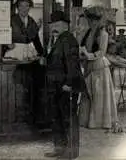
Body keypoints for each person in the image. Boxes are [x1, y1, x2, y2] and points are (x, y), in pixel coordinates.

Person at [44, 11, 86, 159]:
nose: (53, 27)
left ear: (65, 25)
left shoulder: (68, 39)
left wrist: (69, 83)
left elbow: (72, 64)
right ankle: (60, 149)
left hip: (66, 86)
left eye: (57, 25)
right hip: (56, 86)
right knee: (57, 118)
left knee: (68, 119)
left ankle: (71, 152)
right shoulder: (58, 39)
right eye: (52, 25)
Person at [7, 0, 46, 128]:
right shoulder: (11, 20)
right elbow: (2, 35)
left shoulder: (31, 21)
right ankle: (14, 116)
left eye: (27, 6)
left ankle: (29, 116)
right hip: (14, 52)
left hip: (27, 53)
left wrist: (42, 54)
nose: (24, 9)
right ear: (17, 7)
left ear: (30, 7)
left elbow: (36, 40)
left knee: (29, 83)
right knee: (14, 83)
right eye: (21, 6)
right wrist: (6, 44)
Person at [79, 5, 119, 130]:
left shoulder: (103, 34)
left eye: (93, 20)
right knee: (89, 93)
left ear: (98, 21)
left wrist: (88, 55)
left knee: (99, 94)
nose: (91, 22)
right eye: (89, 20)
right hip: (89, 65)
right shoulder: (88, 33)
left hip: (99, 66)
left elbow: (101, 52)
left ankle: (100, 121)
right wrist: (82, 54)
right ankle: (87, 120)